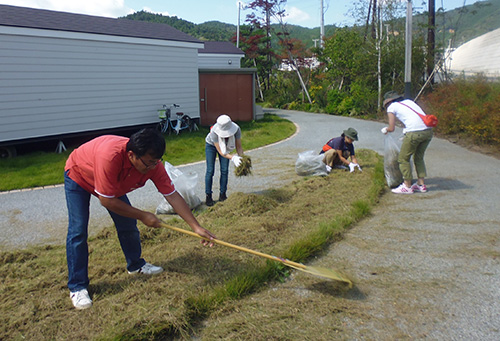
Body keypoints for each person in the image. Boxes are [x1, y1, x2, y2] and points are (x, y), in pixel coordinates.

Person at [64, 128, 216, 310]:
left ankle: (136, 265)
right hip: (79, 175)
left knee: (127, 223)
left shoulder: (152, 163)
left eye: (156, 162)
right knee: (78, 230)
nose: (153, 167)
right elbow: (106, 200)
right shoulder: (109, 157)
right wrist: (144, 215)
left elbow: (172, 195)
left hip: (112, 184)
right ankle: (78, 286)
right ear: (131, 155)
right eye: (149, 163)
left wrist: (196, 227)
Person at [381, 91, 433, 194]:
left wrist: (385, 129)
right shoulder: (409, 102)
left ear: (388, 102)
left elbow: (392, 128)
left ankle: (407, 185)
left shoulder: (392, 107)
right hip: (428, 131)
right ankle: (421, 185)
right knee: (418, 157)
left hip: (414, 133)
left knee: (403, 158)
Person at [205, 114, 244, 206]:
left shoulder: (237, 129)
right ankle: (208, 196)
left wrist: (241, 158)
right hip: (211, 146)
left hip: (225, 146)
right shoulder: (214, 132)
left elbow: (239, 146)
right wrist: (233, 158)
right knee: (210, 170)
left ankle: (222, 195)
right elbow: (221, 151)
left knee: (224, 170)